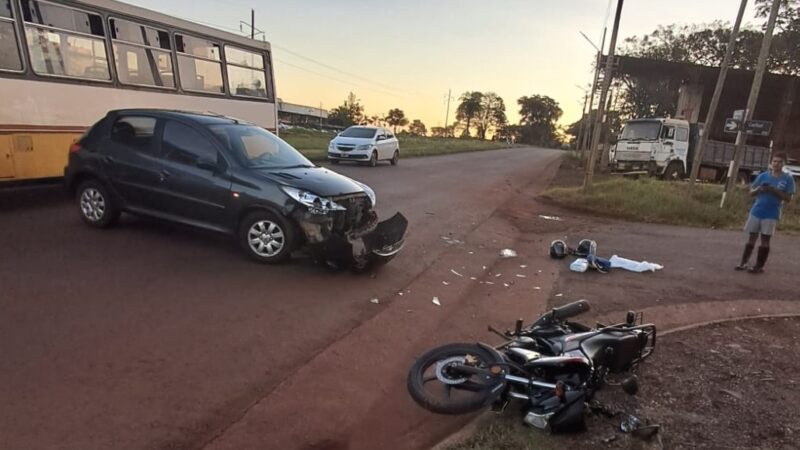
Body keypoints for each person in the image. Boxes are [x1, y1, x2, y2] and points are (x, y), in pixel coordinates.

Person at [736, 153, 795, 273]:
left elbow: (788, 198)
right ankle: (743, 262)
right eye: (774, 161)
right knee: (751, 238)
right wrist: (759, 189)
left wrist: (774, 190)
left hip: (771, 212)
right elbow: (751, 192)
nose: (776, 164)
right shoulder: (763, 176)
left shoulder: (788, 179)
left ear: (784, 164)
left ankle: (759, 265)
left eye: (779, 162)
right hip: (757, 210)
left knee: (765, 239)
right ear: (771, 163)